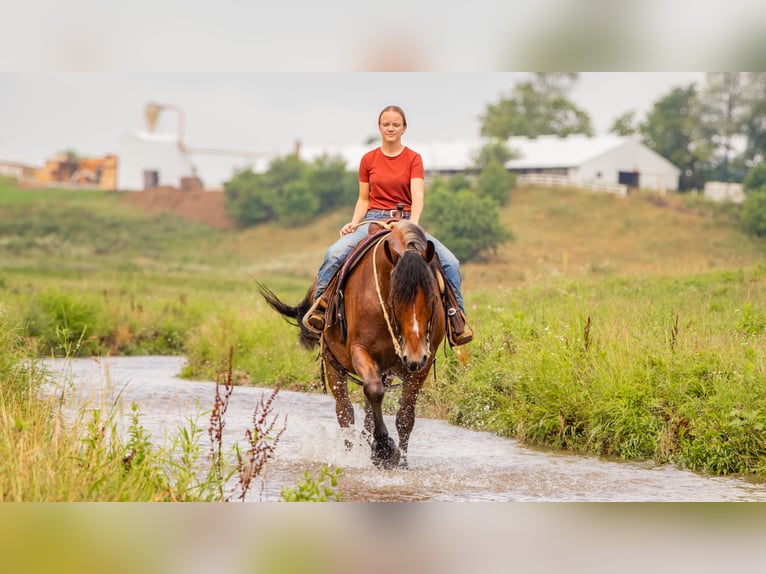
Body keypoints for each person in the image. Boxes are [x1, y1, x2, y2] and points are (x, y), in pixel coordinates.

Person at [303, 105, 472, 346]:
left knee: (451, 263)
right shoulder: (368, 159)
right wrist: (354, 222)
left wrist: (412, 225)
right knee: (334, 254)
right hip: (373, 218)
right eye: (386, 124)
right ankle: (320, 307)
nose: (390, 128)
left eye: (396, 124)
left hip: (404, 220)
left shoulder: (413, 158)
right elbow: (363, 198)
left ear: (404, 128)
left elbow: (418, 196)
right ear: (379, 127)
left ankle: (456, 318)